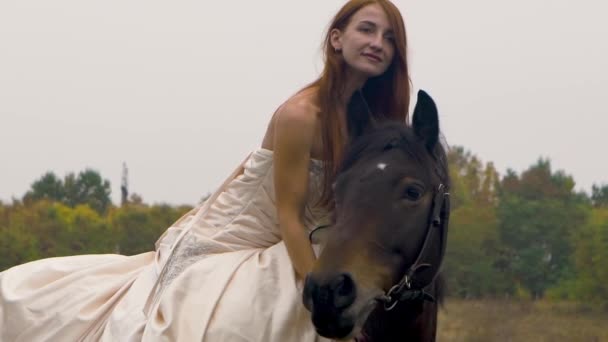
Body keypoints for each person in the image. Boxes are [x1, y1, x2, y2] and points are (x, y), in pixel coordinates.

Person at [0, 0, 411, 340]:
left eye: (389, 38)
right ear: (337, 39)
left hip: (312, 239)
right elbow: (289, 214)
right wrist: (315, 291)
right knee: (175, 322)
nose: (378, 43)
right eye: (367, 30)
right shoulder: (301, 115)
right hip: (239, 236)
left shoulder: (371, 121)